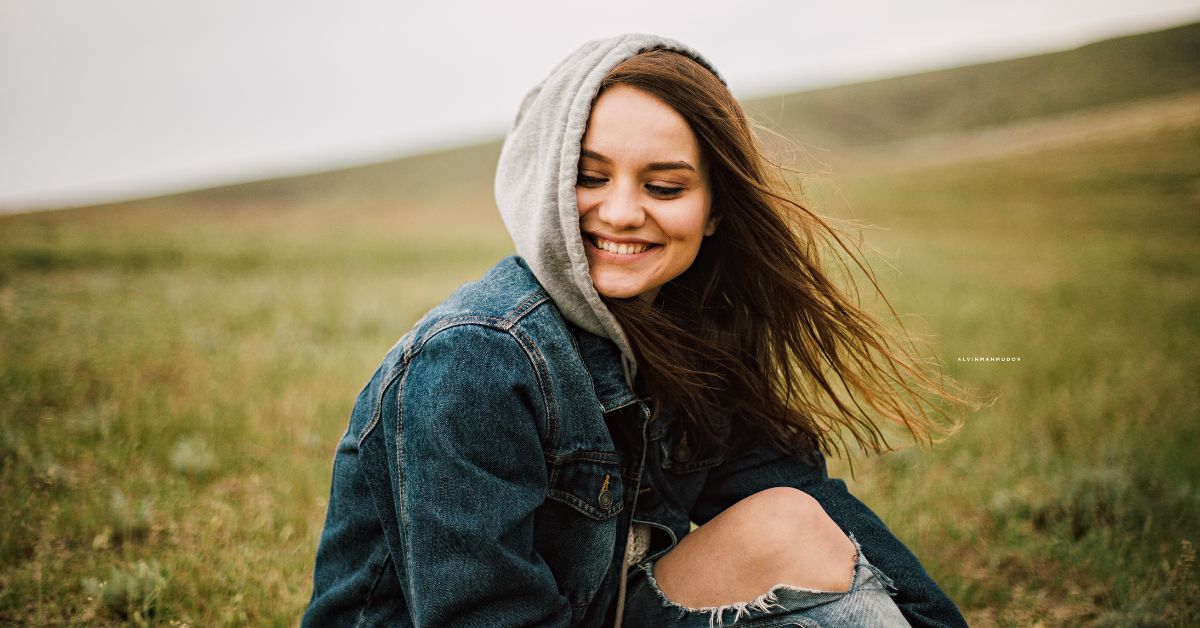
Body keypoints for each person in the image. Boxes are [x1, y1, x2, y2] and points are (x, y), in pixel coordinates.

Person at [303, 33, 974, 627]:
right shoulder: (475, 359)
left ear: (714, 210)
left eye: (665, 187)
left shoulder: (689, 339)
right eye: (589, 177)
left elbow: (811, 508)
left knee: (790, 524)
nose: (621, 212)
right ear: (544, 182)